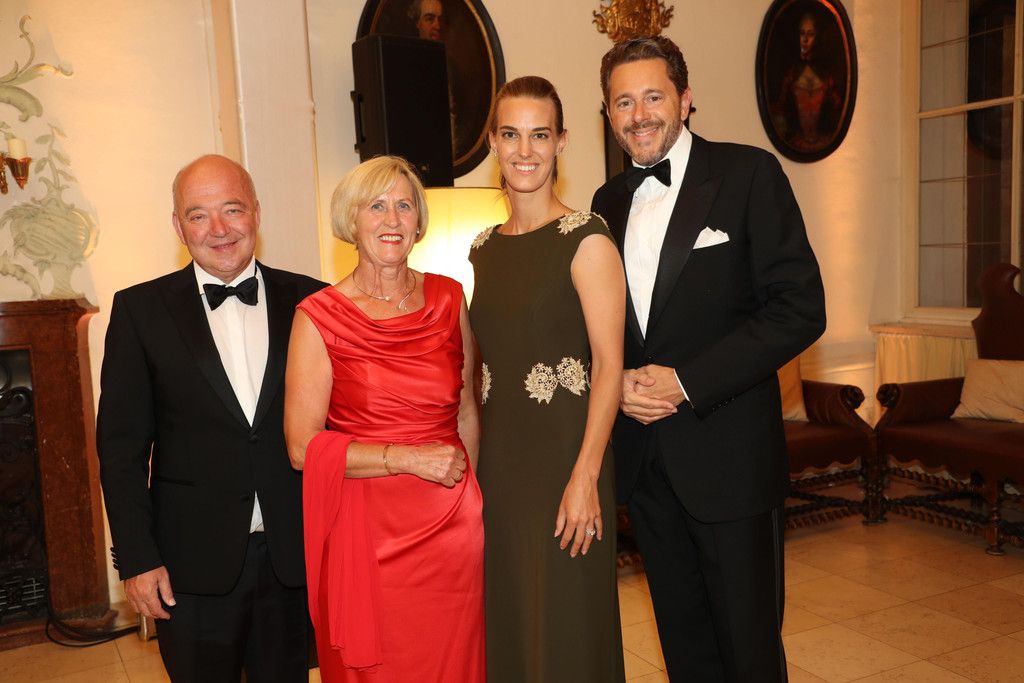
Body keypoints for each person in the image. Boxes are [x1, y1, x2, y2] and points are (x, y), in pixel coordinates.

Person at [591, 36, 826, 682]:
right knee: (685, 650)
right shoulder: (606, 203)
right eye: (623, 102)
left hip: (730, 462)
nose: (639, 114)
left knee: (749, 654)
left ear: (686, 99)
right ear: (608, 114)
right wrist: (616, 384)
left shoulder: (750, 175)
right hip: (646, 466)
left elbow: (800, 309)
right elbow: (609, 327)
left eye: (654, 97)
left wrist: (687, 382)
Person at [96, 154, 326, 682]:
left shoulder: (314, 300)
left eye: (232, 209)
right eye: (198, 215)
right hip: (189, 568)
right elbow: (120, 450)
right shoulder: (140, 311)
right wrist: (137, 559)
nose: (219, 229)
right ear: (178, 227)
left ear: (257, 214)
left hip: (293, 559)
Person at [284, 155, 484, 682]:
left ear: (419, 221)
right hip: (367, 537)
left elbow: (467, 407)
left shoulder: (449, 298)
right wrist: (406, 459)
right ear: (351, 220)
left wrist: (470, 495)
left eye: (404, 206)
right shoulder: (318, 317)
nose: (392, 220)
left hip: (451, 530)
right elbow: (302, 447)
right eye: (376, 206)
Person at [469, 75, 626, 682]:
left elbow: (609, 366)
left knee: (566, 628)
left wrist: (585, 477)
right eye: (511, 135)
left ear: (561, 142)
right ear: (493, 143)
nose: (525, 150)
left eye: (540, 135)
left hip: (568, 461)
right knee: (511, 621)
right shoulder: (482, 248)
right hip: (502, 470)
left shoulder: (587, 240)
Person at [771, 12, 842, 153]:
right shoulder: (791, 75)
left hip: (825, 145)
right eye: (802, 33)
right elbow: (780, 110)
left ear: (817, 37)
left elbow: (837, 109)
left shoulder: (827, 77)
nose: (805, 39)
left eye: (810, 34)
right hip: (795, 144)